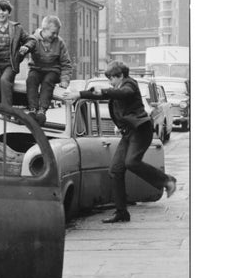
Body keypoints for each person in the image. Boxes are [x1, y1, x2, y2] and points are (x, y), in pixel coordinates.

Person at [62, 60, 177, 223]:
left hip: (141, 131)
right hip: (129, 133)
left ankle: (167, 180)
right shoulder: (118, 87)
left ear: (121, 76)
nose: (110, 82)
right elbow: (110, 97)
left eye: (112, 79)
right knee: (116, 171)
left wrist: (93, 92)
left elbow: (122, 93)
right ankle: (122, 212)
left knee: (131, 162)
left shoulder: (130, 85)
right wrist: (81, 94)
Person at [0, 0, 35, 106]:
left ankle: (6, 112)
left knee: (4, 81)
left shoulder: (17, 28)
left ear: (9, 13)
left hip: (10, 64)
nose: (1, 12)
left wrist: (26, 47)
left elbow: (31, 40)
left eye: (4, 10)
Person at [26, 15, 72, 125]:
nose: (55, 35)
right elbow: (25, 47)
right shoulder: (34, 39)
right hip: (37, 68)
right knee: (31, 79)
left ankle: (42, 110)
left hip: (53, 70)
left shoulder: (59, 42)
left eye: (57, 33)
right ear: (44, 29)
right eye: (53, 33)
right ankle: (32, 109)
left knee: (48, 81)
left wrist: (64, 80)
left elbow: (66, 64)